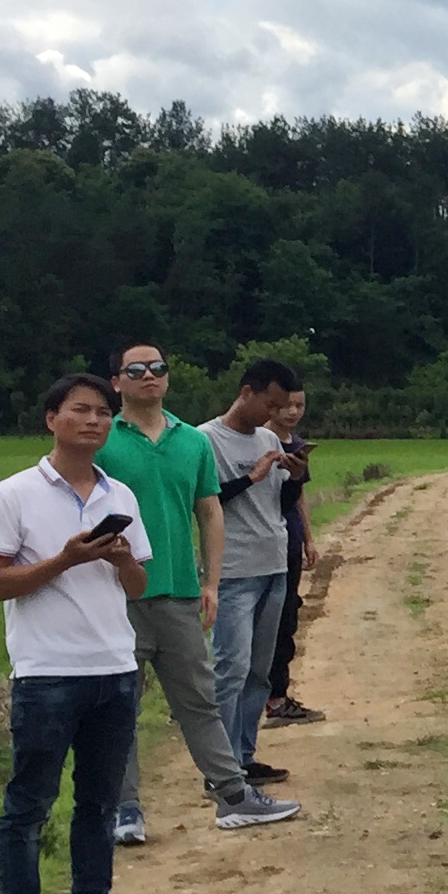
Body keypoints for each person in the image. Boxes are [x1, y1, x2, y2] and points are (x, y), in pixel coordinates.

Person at [0, 372, 163, 894]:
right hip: (47, 672)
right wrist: (65, 559)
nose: (95, 421)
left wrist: (120, 556)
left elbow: (138, 585)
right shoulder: (11, 495)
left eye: (105, 414)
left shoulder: (121, 497)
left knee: (100, 802)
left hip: (113, 665)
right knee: (28, 806)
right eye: (81, 411)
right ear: (51, 419)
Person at [97, 346, 300, 838]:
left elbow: (208, 511)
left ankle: (233, 796)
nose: (150, 377)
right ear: (117, 381)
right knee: (119, 706)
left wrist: (210, 581)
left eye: (159, 368)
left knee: (199, 702)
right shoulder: (101, 438)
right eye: (137, 370)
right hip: (113, 596)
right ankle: (125, 810)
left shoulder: (190, 442)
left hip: (180, 593)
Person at [201, 358, 304, 784]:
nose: (276, 414)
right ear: (246, 393)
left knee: (259, 672)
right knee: (231, 668)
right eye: (270, 403)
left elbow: (277, 503)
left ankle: (245, 755)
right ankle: (220, 767)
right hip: (234, 570)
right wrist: (252, 476)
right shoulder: (204, 441)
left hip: (273, 564)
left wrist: (296, 477)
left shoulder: (267, 437)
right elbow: (206, 502)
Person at [263, 386, 326, 728]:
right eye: (286, 405)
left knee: (287, 618)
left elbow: (299, 495)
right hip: (260, 541)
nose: (292, 411)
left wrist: (309, 539)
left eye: (299, 405)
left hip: (288, 539)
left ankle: (278, 696)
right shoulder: (259, 443)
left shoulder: (298, 445)